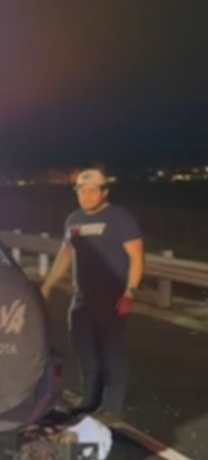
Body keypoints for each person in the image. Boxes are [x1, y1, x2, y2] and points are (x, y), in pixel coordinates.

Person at [41, 167, 144, 419]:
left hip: (112, 299)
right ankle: (89, 400)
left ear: (104, 192)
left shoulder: (120, 219)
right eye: (81, 191)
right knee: (85, 352)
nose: (86, 195)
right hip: (82, 299)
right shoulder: (73, 220)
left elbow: (137, 258)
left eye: (92, 190)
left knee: (111, 353)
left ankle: (112, 407)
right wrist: (49, 284)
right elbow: (66, 255)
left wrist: (129, 293)